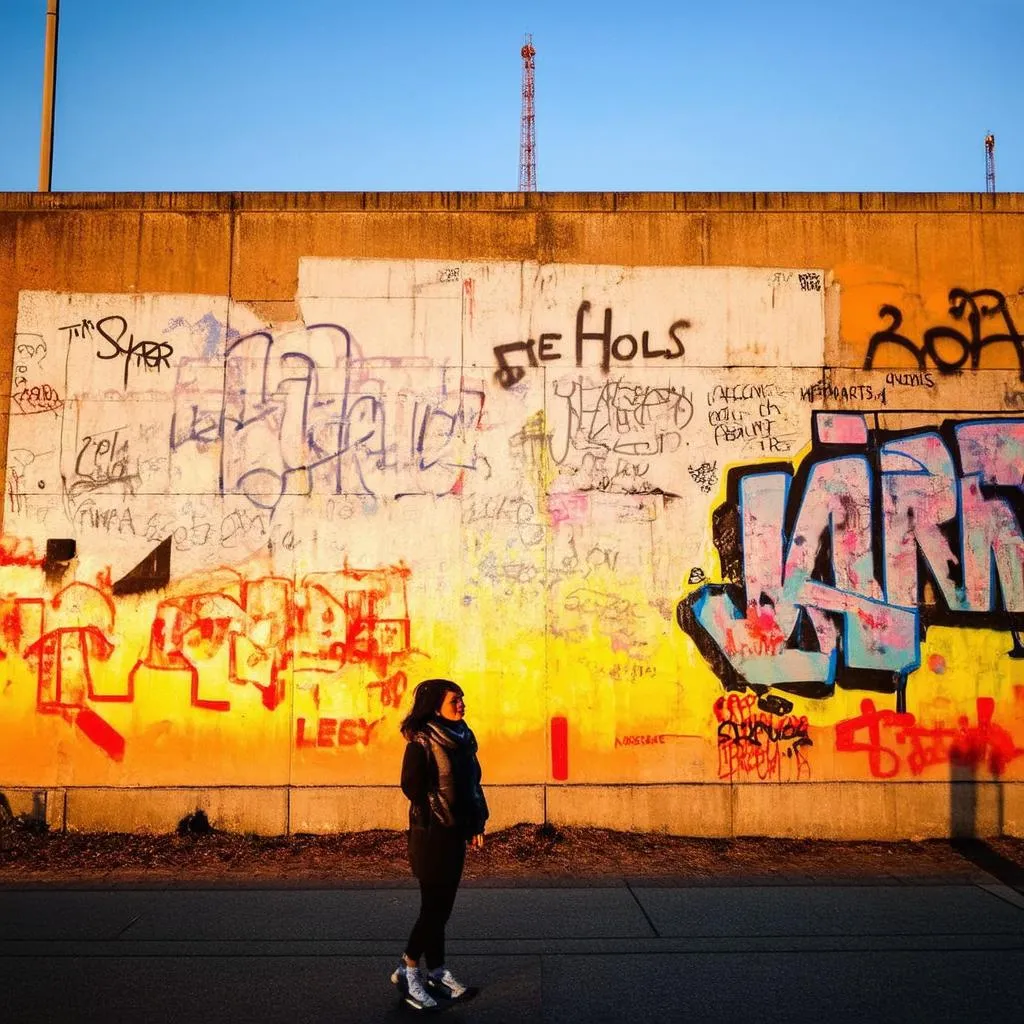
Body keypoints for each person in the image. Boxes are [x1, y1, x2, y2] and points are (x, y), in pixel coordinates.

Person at [391, 678, 488, 1011]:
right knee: (434, 909)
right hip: (431, 833)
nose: (461, 704)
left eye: (462, 698)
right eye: (454, 701)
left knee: (441, 909)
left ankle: (437, 972)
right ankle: (408, 969)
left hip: (456, 832)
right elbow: (412, 787)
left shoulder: (463, 738)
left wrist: (476, 821)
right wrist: (439, 811)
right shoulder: (421, 741)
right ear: (434, 707)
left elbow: (473, 783)